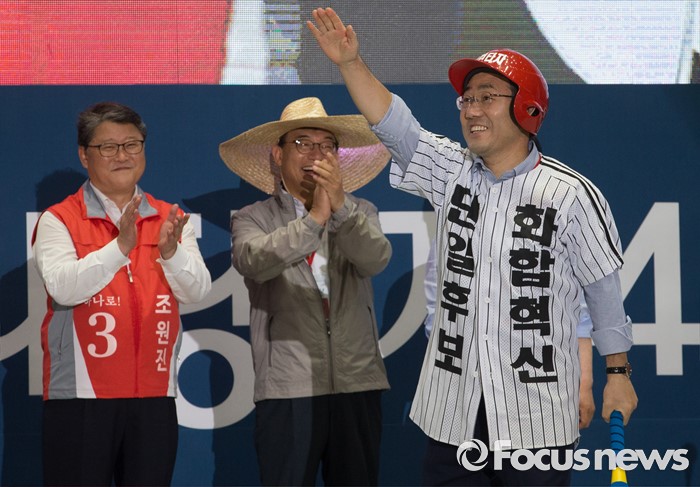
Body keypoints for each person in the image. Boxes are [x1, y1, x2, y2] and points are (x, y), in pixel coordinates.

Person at [308, 8, 637, 485]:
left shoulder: (570, 195)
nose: (472, 109)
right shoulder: (451, 171)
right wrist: (350, 64)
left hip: (535, 419)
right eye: (467, 99)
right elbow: (394, 125)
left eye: (487, 97)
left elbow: (603, 293)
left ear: (528, 108)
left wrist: (618, 375)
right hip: (455, 415)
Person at [32, 102, 212, 486]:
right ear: (85, 155)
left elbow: (197, 291)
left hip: (154, 394)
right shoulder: (58, 218)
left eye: (132, 144)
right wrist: (120, 247)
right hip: (81, 397)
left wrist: (171, 253)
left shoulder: (168, 217)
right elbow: (63, 287)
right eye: (108, 147)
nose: (122, 156)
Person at [220, 96, 392, 486]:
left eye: (327, 145)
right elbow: (254, 260)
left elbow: (375, 259)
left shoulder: (360, 211)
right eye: (303, 143)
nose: (316, 153)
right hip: (288, 386)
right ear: (278, 155)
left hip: (357, 381)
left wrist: (340, 209)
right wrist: (314, 219)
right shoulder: (253, 218)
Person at [423, 240, 596, 429]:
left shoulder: (553, 229)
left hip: (539, 382)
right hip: (469, 384)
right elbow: (438, 309)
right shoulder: (455, 231)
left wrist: (584, 383)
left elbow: (578, 315)